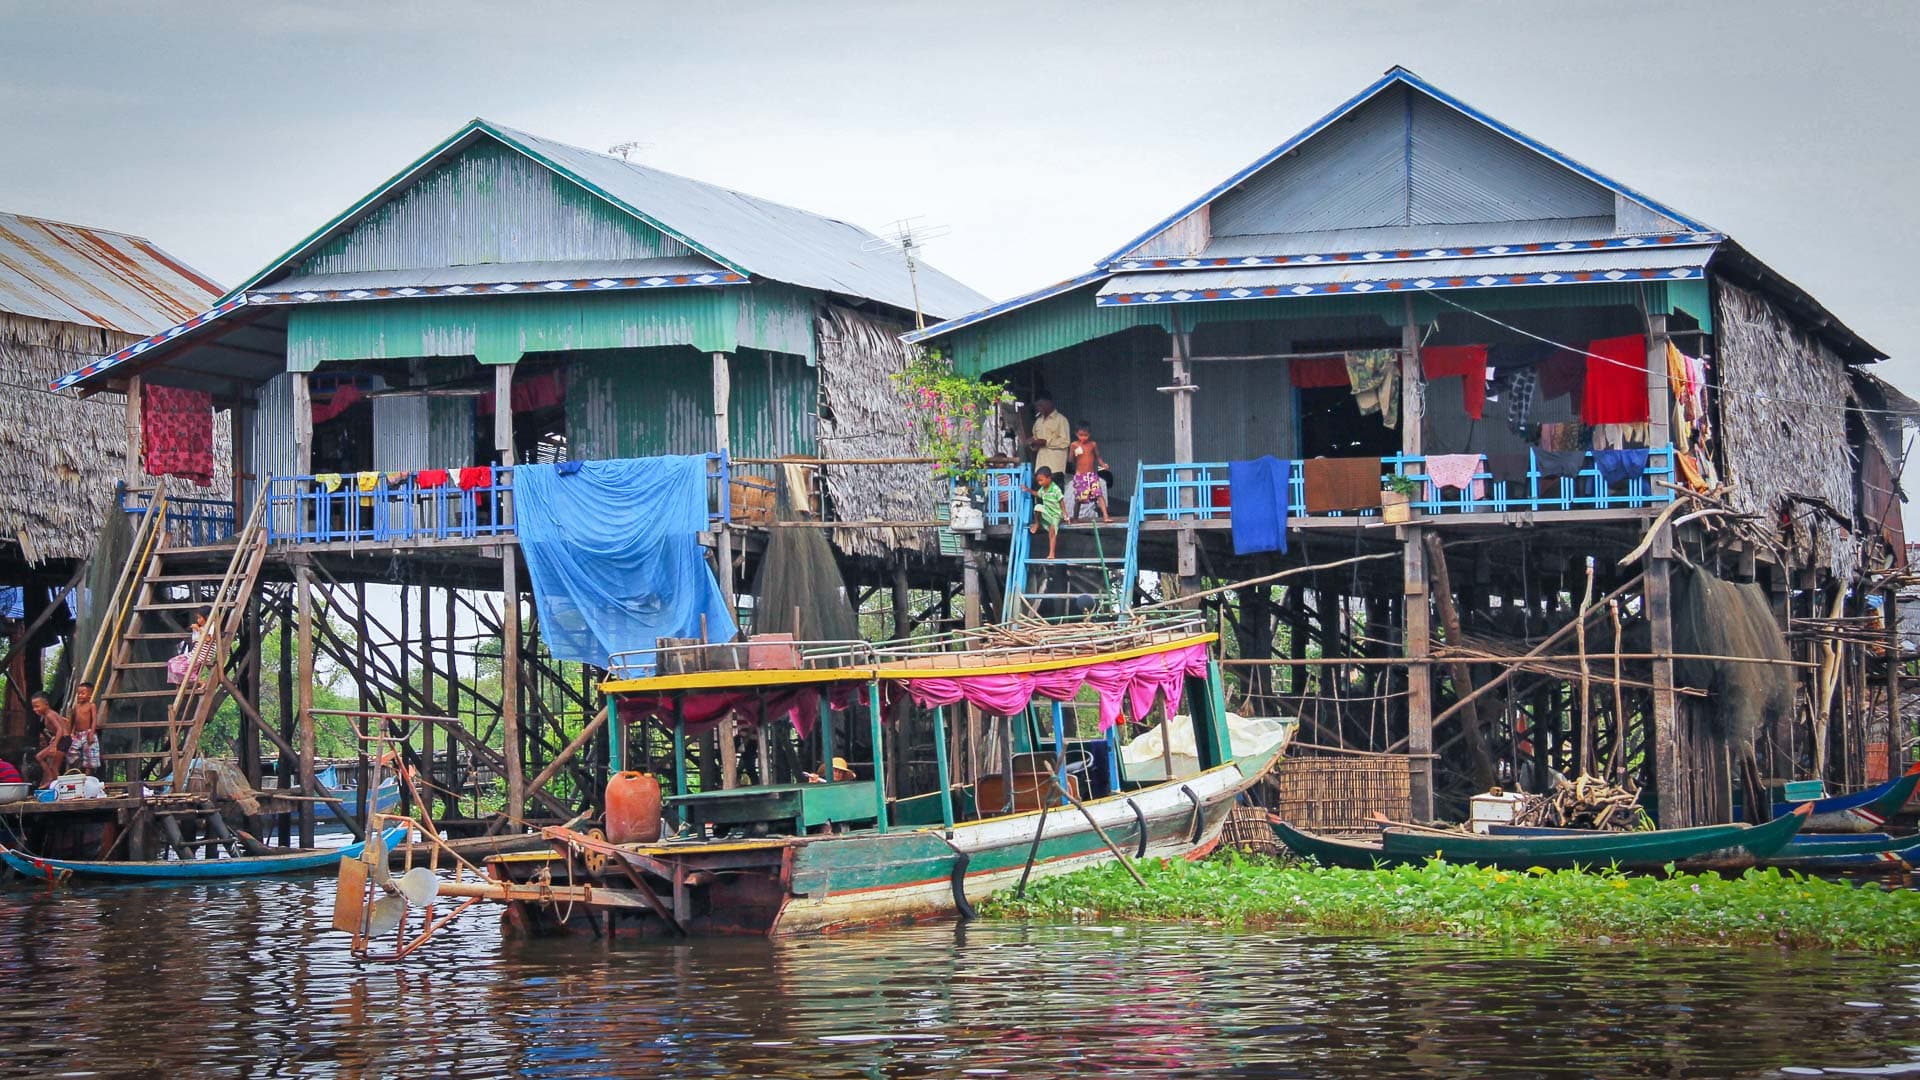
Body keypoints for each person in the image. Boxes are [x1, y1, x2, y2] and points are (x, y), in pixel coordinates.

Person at [1068, 423, 1111, 522]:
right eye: (1080, 435)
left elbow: (1098, 457)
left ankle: (1105, 516)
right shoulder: (1074, 445)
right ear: (1076, 434)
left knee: (1099, 495)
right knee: (1079, 498)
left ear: (1089, 434)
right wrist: (1074, 453)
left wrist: (1103, 464)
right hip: (1080, 475)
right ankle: (1075, 517)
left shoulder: (1092, 444)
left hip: (1092, 475)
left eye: (1085, 435)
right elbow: (1070, 460)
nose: (1083, 437)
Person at [31, 693, 70, 786]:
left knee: (42, 759)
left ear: (46, 704)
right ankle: (54, 782)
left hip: (63, 740)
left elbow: (60, 729)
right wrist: (55, 736)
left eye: (37, 706)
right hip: (63, 739)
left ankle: (52, 779)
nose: (35, 709)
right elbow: (65, 721)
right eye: (33, 707)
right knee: (52, 766)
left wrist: (54, 745)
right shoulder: (50, 713)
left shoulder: (49, 715)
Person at [1026, 398, 1070, 480]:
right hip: (1040, 467)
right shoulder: (1038, 421)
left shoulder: (1061, 420)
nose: (1039, 408)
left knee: (1055, 491)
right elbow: (1035, 437)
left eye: (1041, 405)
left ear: (1049, 403)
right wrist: (1032, 443)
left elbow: (1065, 441)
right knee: (1041, 492)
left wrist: (1046, 442)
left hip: (1055, 468)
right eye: (1037, 406)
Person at [1028, 466, 1064, 560]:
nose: (1040, 483)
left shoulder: (1055, 489)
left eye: (1041, 480)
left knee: (1052, 530)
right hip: (1047, 512)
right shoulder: (1042, 489)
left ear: (1049, 478)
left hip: (1056, 515)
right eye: (1038, 481)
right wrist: (1028, 490)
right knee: (1037, 507)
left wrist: (1065, 515)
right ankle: (1037, 524)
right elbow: (1037, 494)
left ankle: (1051, 553)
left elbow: (1061, 501)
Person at [66, 682, 101, 776]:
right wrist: (71, 733)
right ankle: (77, 769)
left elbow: (94, 720)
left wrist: (92, 733)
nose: (80, 695)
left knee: (90, 756)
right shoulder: (76, 707)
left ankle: (87, 776)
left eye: (83, 693)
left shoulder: (91, 706)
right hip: (77, 734)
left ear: (89, 695)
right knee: (71, 752)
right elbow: (73, 721)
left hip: (88, 733)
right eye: (79, 693)